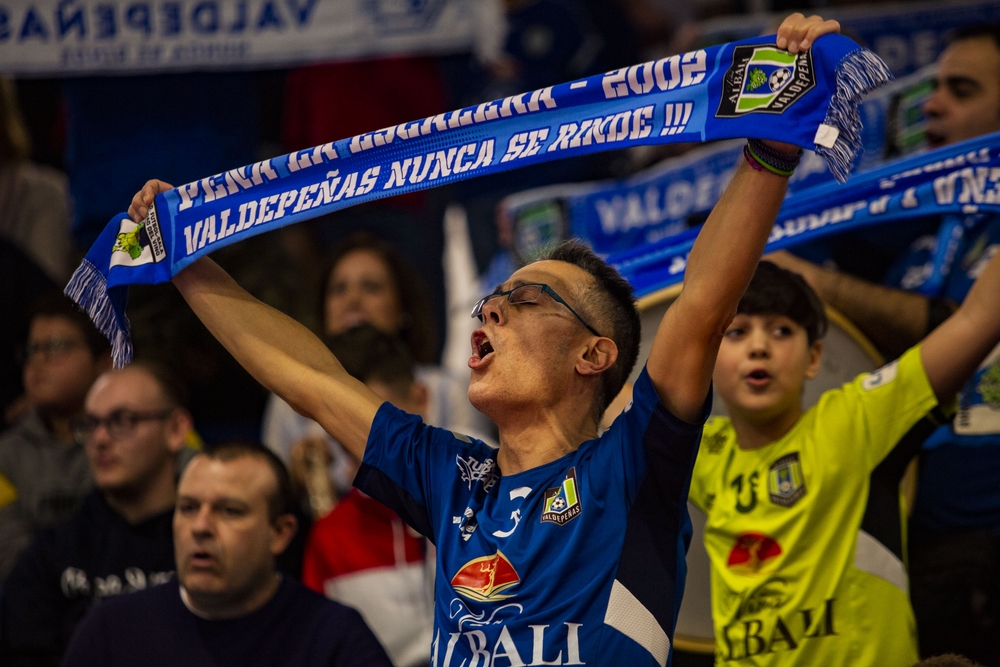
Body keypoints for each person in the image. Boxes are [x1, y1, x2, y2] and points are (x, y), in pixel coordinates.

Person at [127, 15, 839, 665]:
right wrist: (187, 265)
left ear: (594, 354)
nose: (488, 314)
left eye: (524, 301)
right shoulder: (451, 476)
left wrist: (770, 152)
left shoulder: (632, 464)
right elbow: (307, 375)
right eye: (490, 302)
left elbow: (703, 306)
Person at [768, 24, 1000, 664]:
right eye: (933, 88)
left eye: (962, 89)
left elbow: (961, 323)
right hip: (914, 545)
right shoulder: (919, 232)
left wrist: (813, 282)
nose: (931, 104)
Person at [688, 251, 1000, 665]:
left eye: (781, 330)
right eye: (737, 332)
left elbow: (977, 320)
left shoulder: (857, 421)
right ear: (709, 356)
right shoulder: (700, 450)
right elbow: (612, 400)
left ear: (814, 357)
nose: (759, 346)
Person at [61, 441, 393, 667]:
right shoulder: (111, 631)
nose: (201, 527)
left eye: (230, 511)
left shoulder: (333, 638)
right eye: (188, 508)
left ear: (280, 533)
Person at [262, 231, 492, 501]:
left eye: (371, 287)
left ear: (402, 308)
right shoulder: (290, 398)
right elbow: (270, 503)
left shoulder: (445, 391)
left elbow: (478, 486)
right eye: (339, 289)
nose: (353, 300)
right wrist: (297, 481)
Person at [0, 362, 192, 666]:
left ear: (176, 429)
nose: (100, 440)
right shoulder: (51, 553)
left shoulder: (205, 540)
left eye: (123, 421)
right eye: (90, 424)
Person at [300, 325, 434, 667]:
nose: (359, 441)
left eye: (376, 422)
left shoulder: (485, 502)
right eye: (343, 422)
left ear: (421, 399)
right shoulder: (329, 539)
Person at [0, 294, 111, 581]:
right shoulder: (5, 456)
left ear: (105, 363)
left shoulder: (152, 429)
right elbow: (10, 556)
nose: (38, 360)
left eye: (57, 347)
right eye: (32, 349)